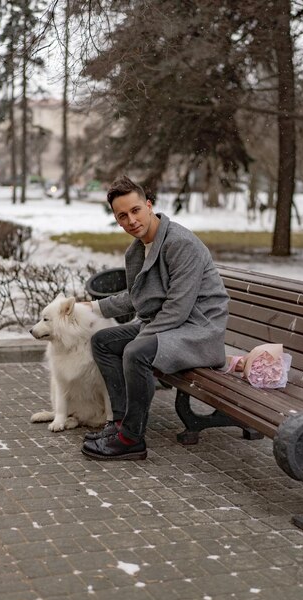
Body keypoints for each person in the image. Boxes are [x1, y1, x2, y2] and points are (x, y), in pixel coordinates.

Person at [81, 175, 229, 461]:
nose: (131, 220)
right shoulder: (136, 251)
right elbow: (138, 297)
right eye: (122, 215)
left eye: (136, 210)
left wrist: (141, 339)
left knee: (136, 351)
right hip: (171, 328)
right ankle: (120, 422)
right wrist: (93, 308)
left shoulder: (180, 243)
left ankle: (131, 439)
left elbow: (178, 308)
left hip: (199, 332)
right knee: (103, 341)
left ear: (149, 205)